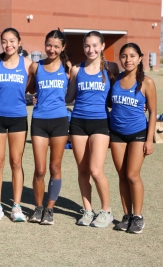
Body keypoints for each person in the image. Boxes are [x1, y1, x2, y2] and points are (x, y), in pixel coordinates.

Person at [65, 31, 114, 228]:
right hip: (78, 123)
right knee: (83, 169)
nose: (90, 49)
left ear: (102, 46)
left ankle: (107, 210)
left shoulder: (111, 68)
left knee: (96, 170)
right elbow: (69, 97)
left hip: (100, 123)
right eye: (87, 45)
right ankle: (88, 210)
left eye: (95, 45)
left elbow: (121, 89)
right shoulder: (77, 70)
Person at [109, 43, 156, 234]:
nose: (128, 60)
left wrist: (149, 139)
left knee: (132, 175)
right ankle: (127, 215)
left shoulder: (147, 82)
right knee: (121, 175)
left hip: (138, 133)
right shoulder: (115, 79)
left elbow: (153, 112)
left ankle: (138, 217)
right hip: (116, 133)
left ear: (139, 58)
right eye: (124, 56)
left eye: (132, 56)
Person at [0, 28, 32, 222]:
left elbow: (33, 87)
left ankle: (16, 207)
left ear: (19, 42)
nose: (8, 45)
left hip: (18, 118)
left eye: (12, 41)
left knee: (16, 162)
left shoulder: (29, 65)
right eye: (4, 41)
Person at [27, 29, 71, 225]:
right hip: (39, 121)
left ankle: (50, 209)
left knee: (55, 167)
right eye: (49, 45)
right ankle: (38, 208)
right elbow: (29, 89)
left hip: (60, 121)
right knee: (40, 169)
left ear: (63, 48)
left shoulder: (68, 67)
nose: (51, 49)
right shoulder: (36, 67)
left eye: (56, 46)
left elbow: (78, 91)